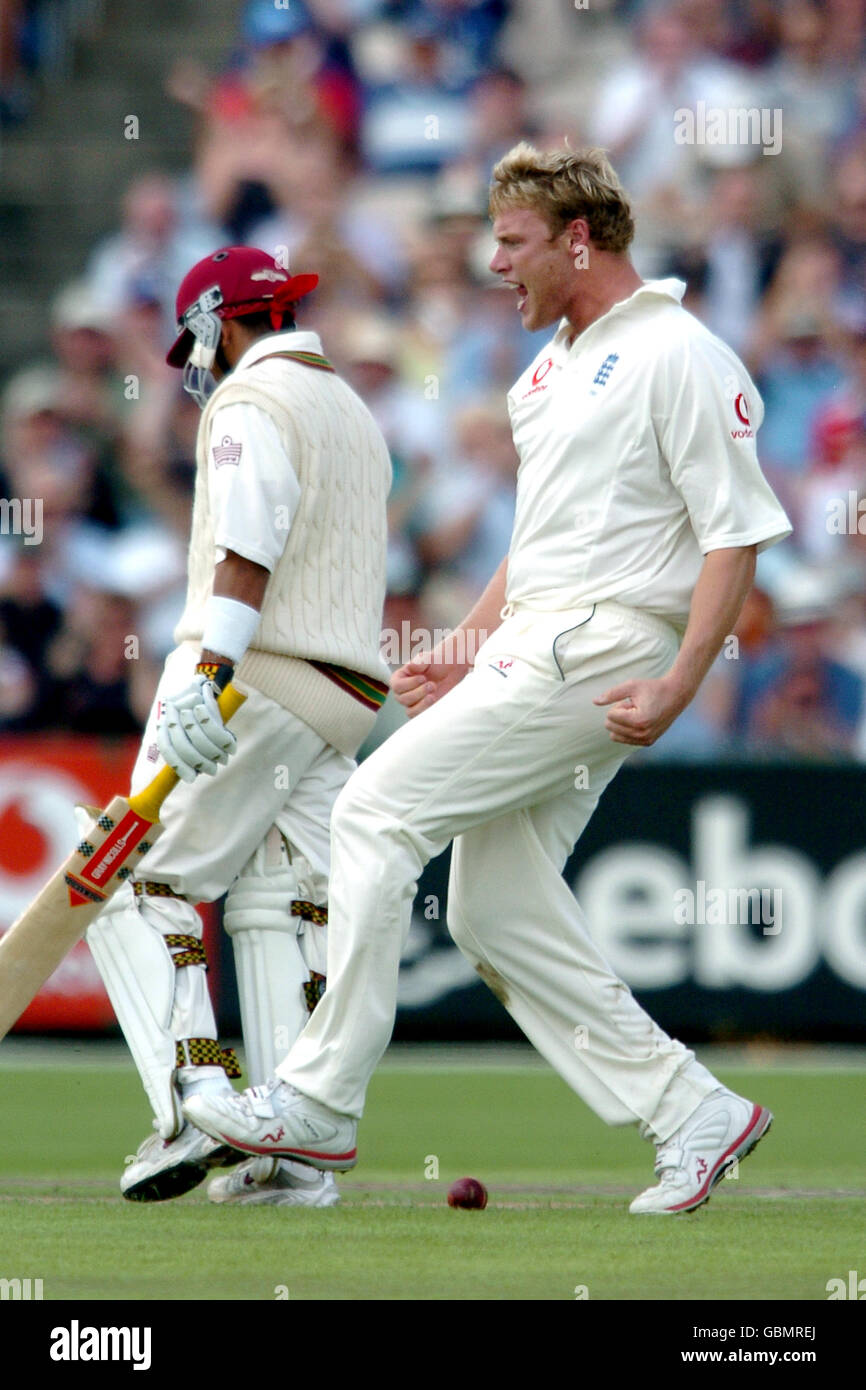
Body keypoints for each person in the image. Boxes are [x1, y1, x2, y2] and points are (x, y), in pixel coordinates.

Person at [184, 146, 792, 1215]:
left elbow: (732, 536)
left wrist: (683, 680)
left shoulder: (676, 353)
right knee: (493, 908)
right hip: (539, 641)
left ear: (576, 240)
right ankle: (691, 1110)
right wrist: (467, 639)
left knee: (374, 810)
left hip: (607, 647)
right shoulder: (545, 371)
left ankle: (317, 1103)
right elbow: (544, 536)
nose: (492, 262)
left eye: (510, 243)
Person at [85, 245, 392, 1207]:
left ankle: (196, 1098)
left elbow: (245, 546)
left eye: (199, 343)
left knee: (140, 883)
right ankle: (289, 1153)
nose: (198, 365)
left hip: (253, 672)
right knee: (279, 905)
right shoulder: (354, 412)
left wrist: (206, 675)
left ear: (222, 322)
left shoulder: (251, 402)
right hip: (341, 694)